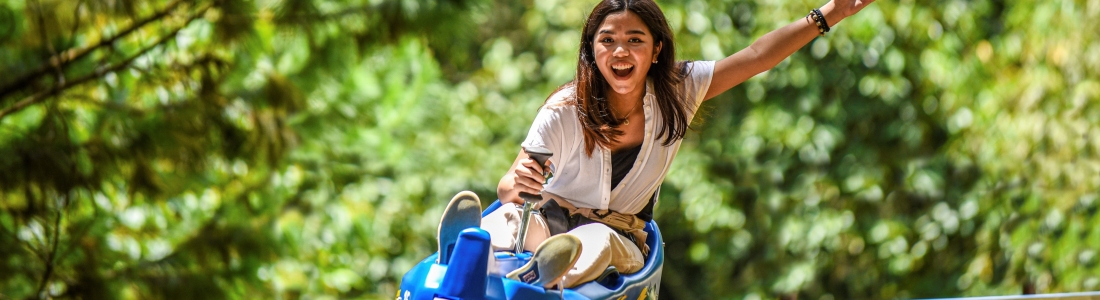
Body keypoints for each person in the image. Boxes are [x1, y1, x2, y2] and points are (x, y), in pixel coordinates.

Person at [438, 0, 875, 290]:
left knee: (595, 239)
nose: (620, 51)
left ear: (656, 50)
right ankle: (464, 258)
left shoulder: (680, 89)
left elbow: (758, 56)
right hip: (549, 220)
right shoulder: (564, 107)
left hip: (619, 235)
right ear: (592, 51)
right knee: (511, 219)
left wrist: (829, 13)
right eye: (607, 40)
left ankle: (543, 273)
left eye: (634, 40)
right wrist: (519, 182)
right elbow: (507, 189)